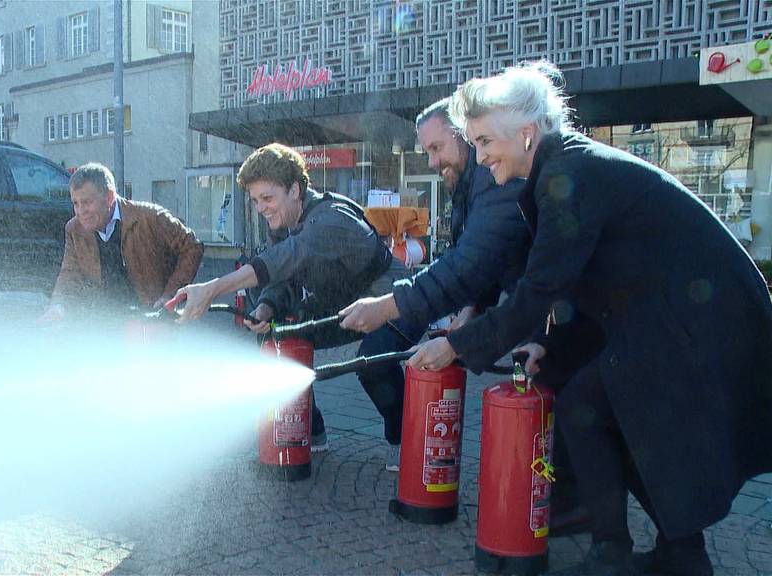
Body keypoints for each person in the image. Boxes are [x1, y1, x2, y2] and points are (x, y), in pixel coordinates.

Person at [409, 61, 772, 576]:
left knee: (590, 402)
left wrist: (456, 344)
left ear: (527, 133)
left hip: (701, 318)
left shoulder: (566, 174)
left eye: (486, 140)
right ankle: (679, 556)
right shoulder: (563, 168)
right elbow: (583, 283)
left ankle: (618, 554)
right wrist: (545, 344)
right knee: (599, 404)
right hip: (679, 314)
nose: (481, 154)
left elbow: (542, 286)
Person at [174, 143, 408, 453]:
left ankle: (403, 441)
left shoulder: (330, 219)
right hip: (346, 305)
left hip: (394, 299)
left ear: (295, 189)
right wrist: (267, 306)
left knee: (374, 362)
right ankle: (312, 433)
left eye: (268, 198)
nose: (261, 208)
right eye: (255, 200)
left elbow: (284, 259)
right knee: (277, 339)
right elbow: (284, 276)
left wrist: (212, 289)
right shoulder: (284, 223)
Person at [336, 98, 529, 472]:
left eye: (437, 148)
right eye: (426, 152)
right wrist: (471, 311)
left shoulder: (492, 178)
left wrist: (390, 306)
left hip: (553, 309)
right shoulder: (468, 186)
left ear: (467, 136)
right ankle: (410, 444)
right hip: (506, 306)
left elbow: (473, 263)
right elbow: (482, 262)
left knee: (570, 412)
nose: (431, 162)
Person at [42, 162, 203, 321]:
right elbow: (69, 274)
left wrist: (170, 295)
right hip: (105, 321)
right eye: (75, 203)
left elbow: (192, 247)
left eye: (87, 202)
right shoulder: (74, 229)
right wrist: (58, 306)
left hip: (150, 319)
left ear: (109, 197)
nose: (80, 211)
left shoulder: (150, 217)